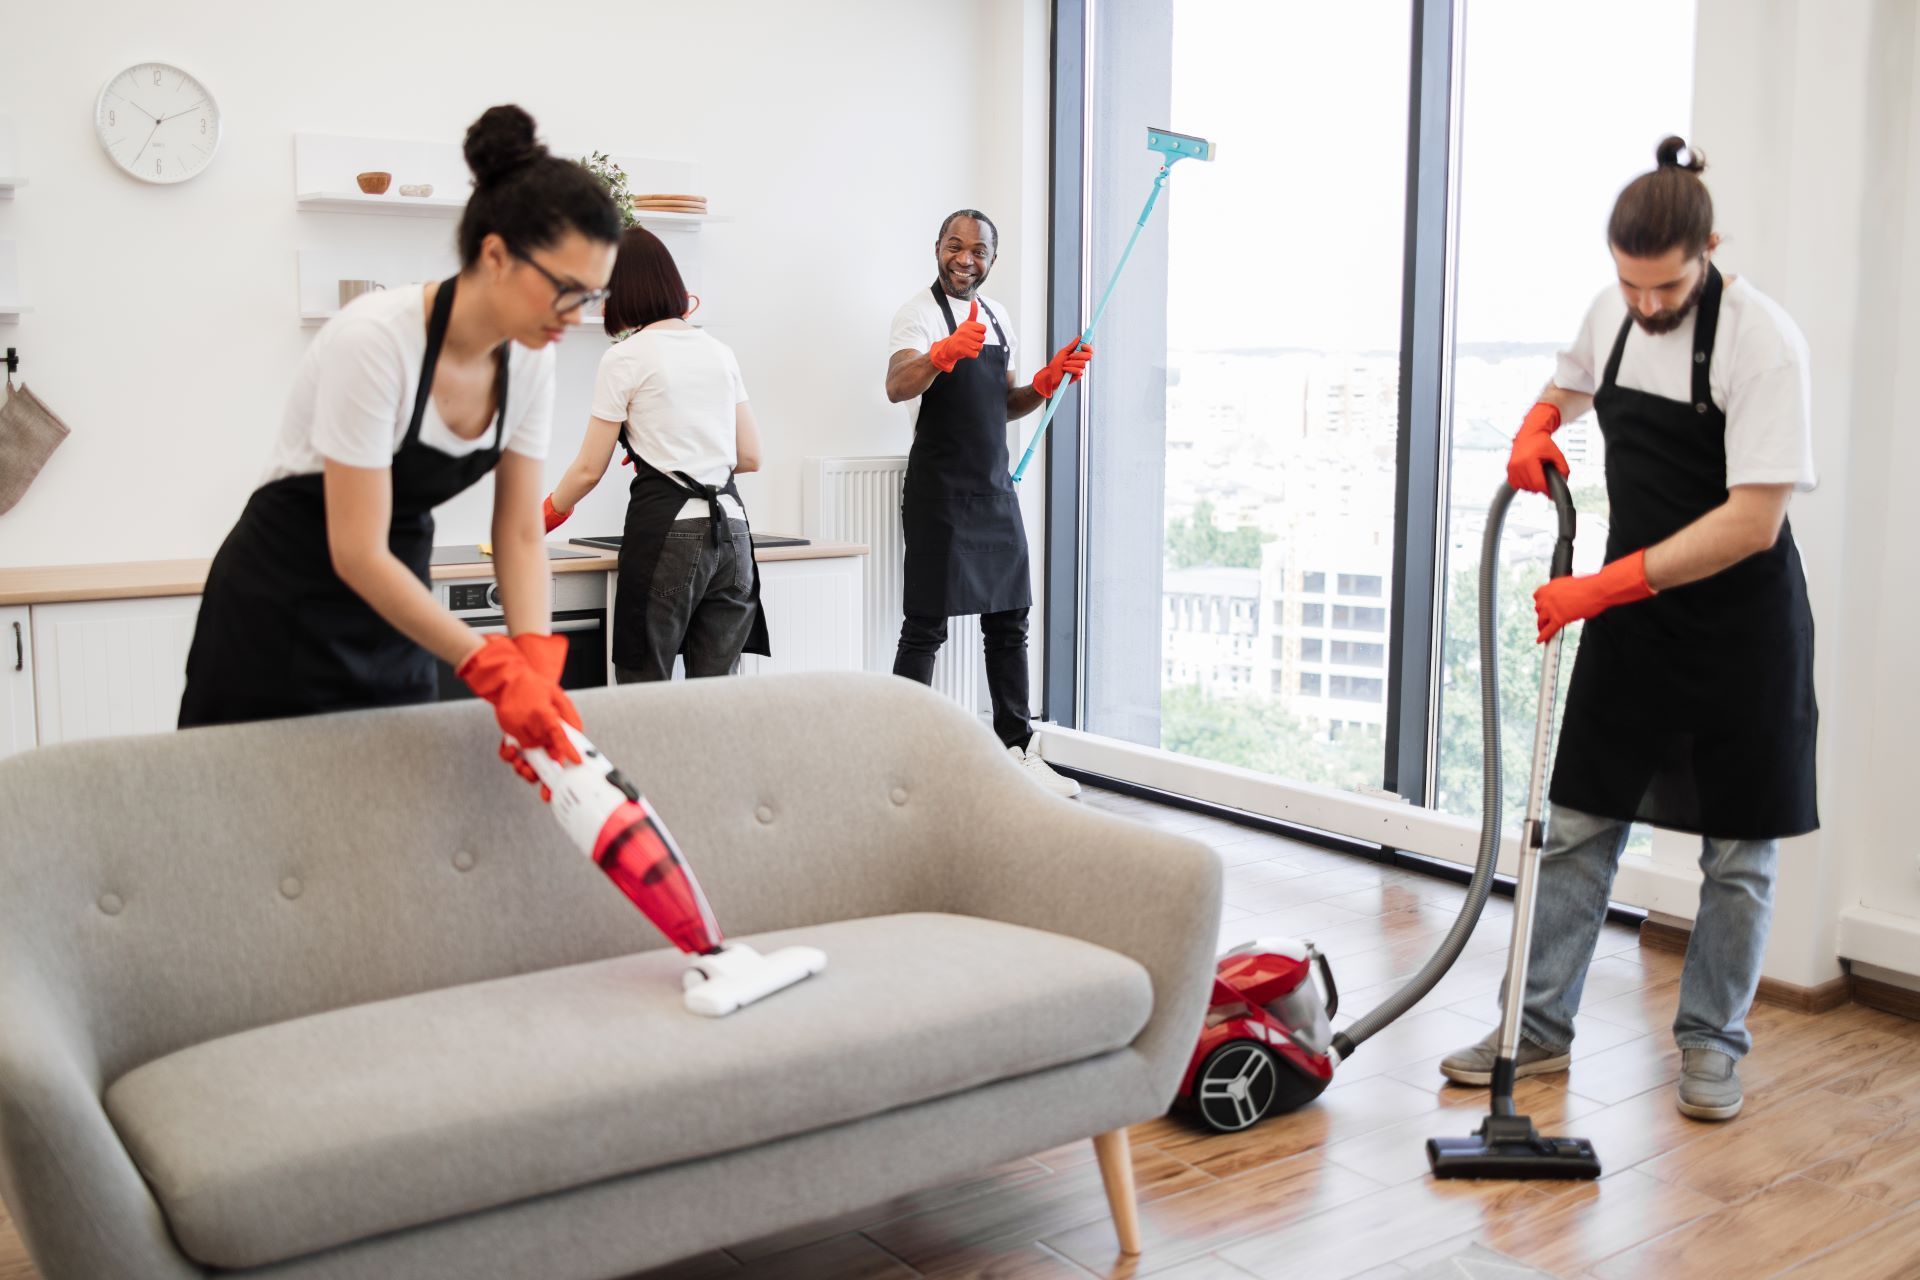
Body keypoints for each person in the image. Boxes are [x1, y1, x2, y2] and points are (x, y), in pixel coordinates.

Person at [1440, 138, 1819, 1122]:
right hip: (1633, 621)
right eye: (1631, 284)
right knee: (1577, 825)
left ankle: (1711, 1043)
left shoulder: (1763, 340)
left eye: (1665, 286)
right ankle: (1537, 1028)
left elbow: (1754, 520)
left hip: (1740, 629)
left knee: (1738, 852)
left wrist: (1602, 588)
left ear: (1710, 249)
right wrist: (1534, 425)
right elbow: (1569, 383)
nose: (1646, 304)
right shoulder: (1612, 310)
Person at [180, 105, 620, 778]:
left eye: (592, 296)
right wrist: (488, 666)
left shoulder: (531, 357)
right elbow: (356, 550)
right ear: (495, 254)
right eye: (566, 290)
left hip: (395, 609)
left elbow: (521, 533)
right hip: (280, 610)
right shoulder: (376, 340)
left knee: (391, 820)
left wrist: (534, 660)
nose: (577, 316)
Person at [885, 209, 1092, 797]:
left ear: (991, 261)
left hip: (994, 489)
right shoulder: (917, 315)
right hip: (940, 492)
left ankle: (1017, 751)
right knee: (924, 625)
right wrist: (940, 355)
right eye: (955, 246)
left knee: (1010, 622)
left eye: (978, 251)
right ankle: (906, 758)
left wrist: (1045, 384)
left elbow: (1003, 404)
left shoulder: (998, 317)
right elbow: (897, 384)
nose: (965, 258)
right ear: (937, 248)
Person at [543, 227, 767, 681]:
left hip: (670, 533)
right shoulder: (719, 352)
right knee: (716, 699)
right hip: (734, 534)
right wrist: (666, 451)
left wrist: (542, 518)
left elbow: (588, 469)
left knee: (645, 695)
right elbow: (749, 456)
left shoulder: (625, 357)